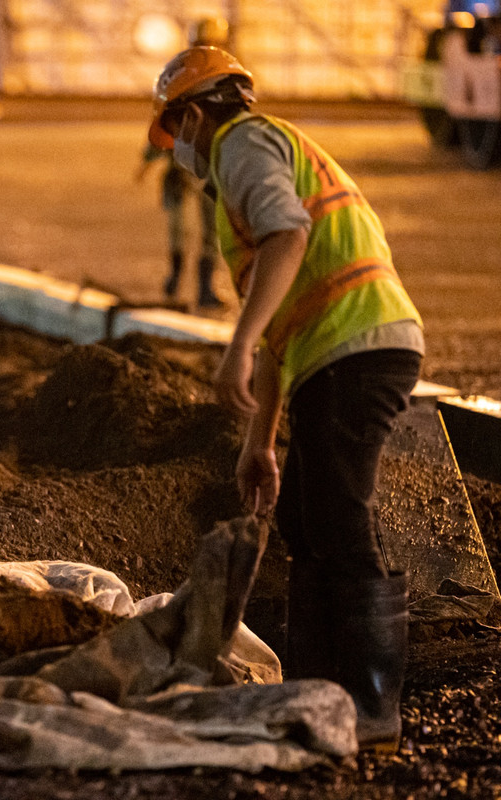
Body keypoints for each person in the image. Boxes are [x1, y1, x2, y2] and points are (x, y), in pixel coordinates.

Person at [147, 47, 424, 753]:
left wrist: (234, 344)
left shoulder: (242, 143)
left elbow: (289, 232)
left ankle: (372, 705)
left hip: (357, 345)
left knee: (337, 516)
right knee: (305, 519)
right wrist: (259, 441)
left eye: (176, 121)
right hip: (336, 351)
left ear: (200, 111)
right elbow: (278, 332)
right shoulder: (257, 155)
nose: (175, 142)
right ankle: (313, 684)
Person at [134, 16, 231, 310]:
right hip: (190, 167)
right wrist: (148, 160)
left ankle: (197, 287)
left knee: (205, 231)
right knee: (188, 229)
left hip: (203, 166)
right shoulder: (219, 78)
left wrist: (147, 161)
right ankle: (183, 283)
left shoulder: (214, 78)